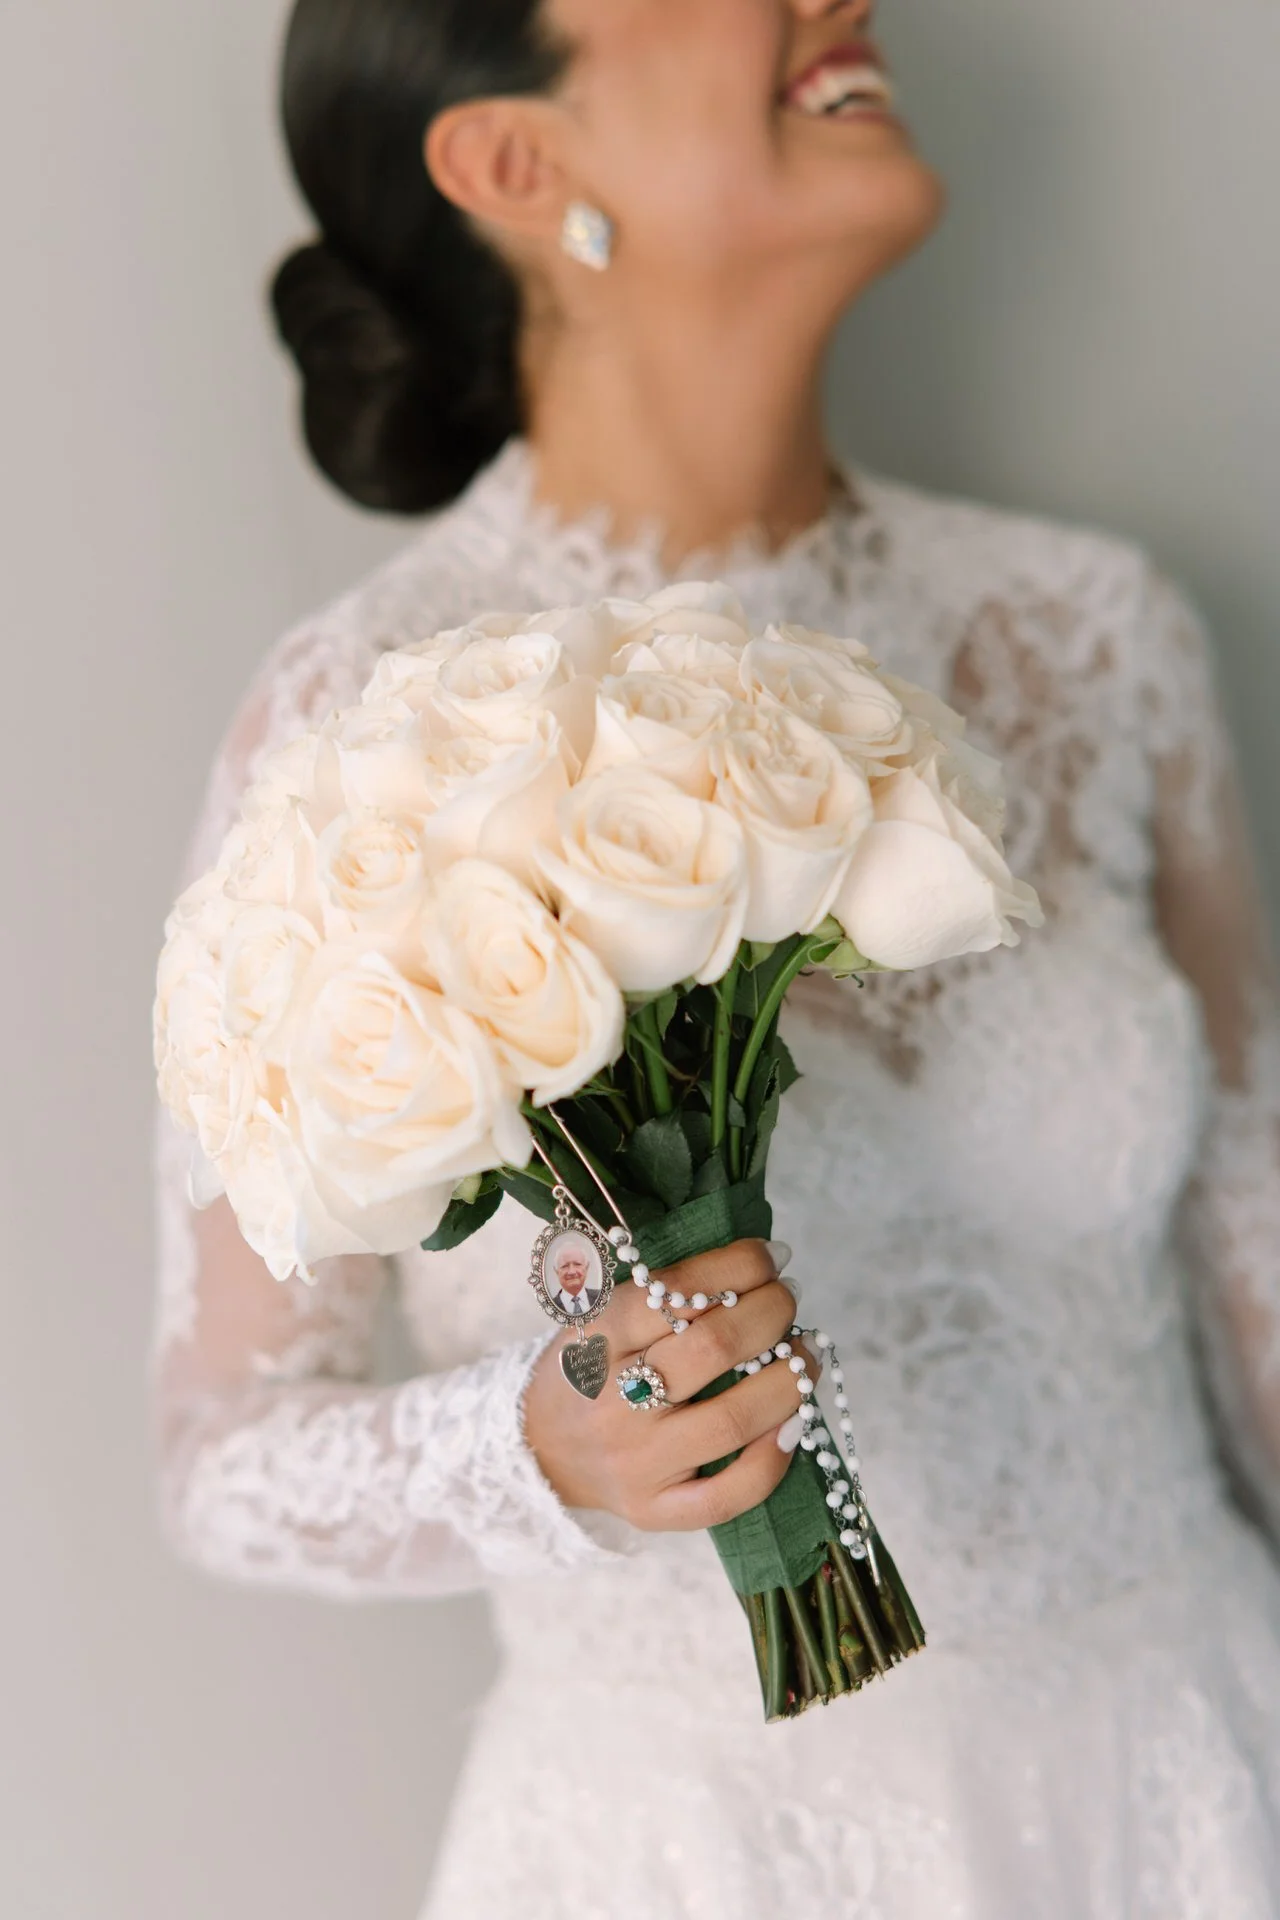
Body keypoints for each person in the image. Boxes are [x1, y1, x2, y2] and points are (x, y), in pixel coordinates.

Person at [150, 0, 1280, 1913]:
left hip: (1186, 1785)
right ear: (517, 163)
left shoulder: (1096, 633)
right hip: (698, 1853)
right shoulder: (363, 737)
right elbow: (221, 1446)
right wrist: (538, 1454)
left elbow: (1261, 1279)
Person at [549, 1238, 600, 1317]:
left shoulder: (601, 1296)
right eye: (565, 1266)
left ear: (586, 1267)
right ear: (556, 1271)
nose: (571, 1272)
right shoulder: (550, 1307)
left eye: (577, 1264)